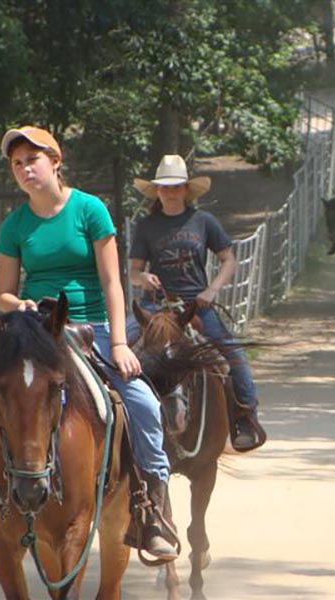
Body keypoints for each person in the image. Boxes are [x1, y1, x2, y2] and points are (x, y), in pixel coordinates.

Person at [0, 126, 177, 560]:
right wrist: (15, 302)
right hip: (27, 326)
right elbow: (3, 290)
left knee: (145, 405)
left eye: (33, 160)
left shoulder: (89, 210)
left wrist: (119, 343)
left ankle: (150, 508)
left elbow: (113, 282)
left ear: (55, 162)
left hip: (86, 326)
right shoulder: (15, 224)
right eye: (17, 164)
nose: (25, 169)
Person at [130, 155, 267, 452]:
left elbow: (228, 259)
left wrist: (212, 290)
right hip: (155, 307)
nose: (169, 192)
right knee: (123, 353)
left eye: (175, 187)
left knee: (232, 354)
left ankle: (244, 417)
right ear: (157, 191)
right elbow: (132, 271)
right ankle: (121, 423)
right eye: (164, 187)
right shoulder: (146, 226)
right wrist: (144, 278)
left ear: (185, 190)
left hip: (196, 305)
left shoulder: (204, 222)